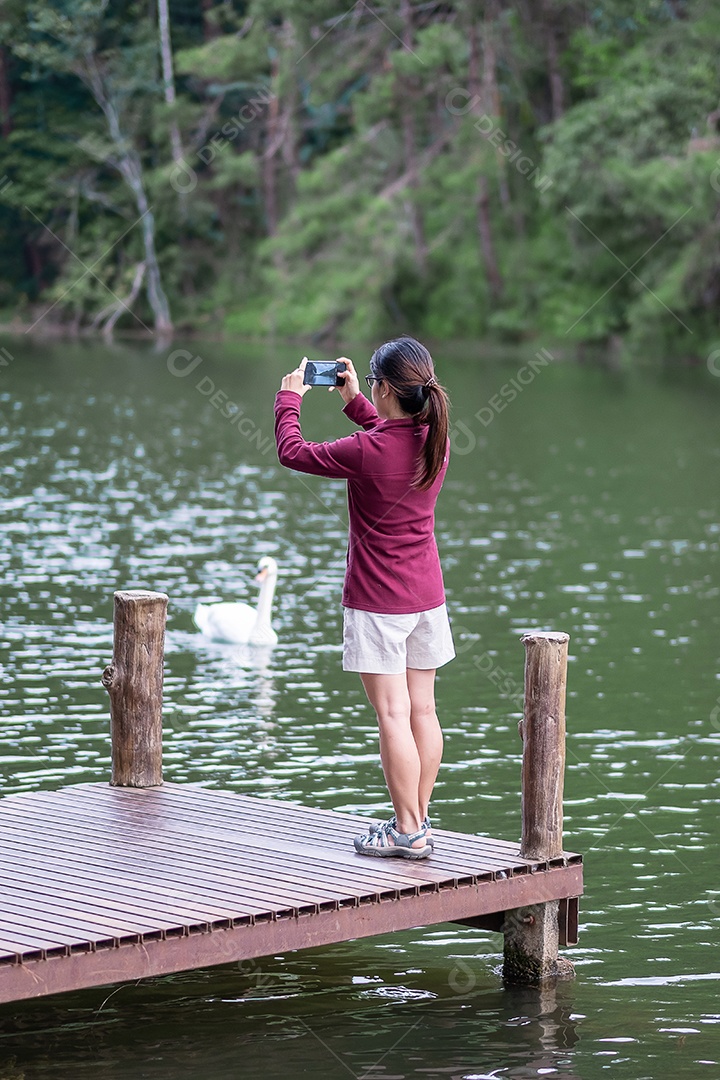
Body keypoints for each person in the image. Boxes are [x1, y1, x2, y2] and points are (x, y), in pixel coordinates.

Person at [274, 337, 455, 860]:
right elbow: (388, 432)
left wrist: (290, 398)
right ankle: (416, 821)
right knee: (423, 710)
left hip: (379, 602)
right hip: (428, 598)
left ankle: (407, 830)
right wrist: (356, 401)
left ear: (385, 387)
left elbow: (294, 452)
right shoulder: (435, 436)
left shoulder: (367, 450)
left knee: (393, 716)